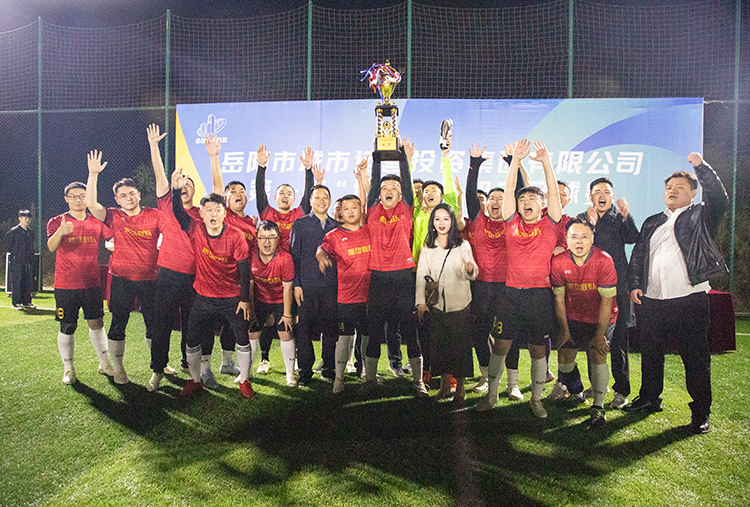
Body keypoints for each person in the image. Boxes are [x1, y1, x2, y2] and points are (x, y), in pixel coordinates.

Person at [625, 153, 727, 435]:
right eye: (669, 187)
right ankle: (649, 397)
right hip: (653, 299)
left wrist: (701, 167)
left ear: (694, 193)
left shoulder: (701, 216)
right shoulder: (652, 222)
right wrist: (635, 283)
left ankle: (701, 412)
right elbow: (638, 256)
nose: (672, 191)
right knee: (650, 353)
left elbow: (719, 198)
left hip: (689, 298)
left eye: (680, 187)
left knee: (695, 358)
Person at [478, 139, 561, 418]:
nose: (526, 203)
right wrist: (514, 160)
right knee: (500, 346)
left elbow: (552, 192)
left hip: (539, 296)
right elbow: (510, 189)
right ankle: (491, 395)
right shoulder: (511, 222)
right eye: (522, 200)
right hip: (510, 295)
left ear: (542, 205)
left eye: (532, 200)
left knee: (538, 350)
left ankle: (536, 400)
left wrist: (545, 161)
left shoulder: (551, 224)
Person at [146, 125, 226, 392]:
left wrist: (214, 156)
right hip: (168, 274)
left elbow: (218, 188)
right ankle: (158, 369)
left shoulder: (202, 214)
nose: (185, 186)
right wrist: (154, 146)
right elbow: (159, 174)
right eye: (181, 184)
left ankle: (189, 366)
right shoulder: (166, 204)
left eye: (189, 184)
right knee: (162, 323)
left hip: (196, 278)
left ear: (194, 192)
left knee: (194, 326)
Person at [170, 169, 255, 398]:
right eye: (208, 210)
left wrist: (244, 300)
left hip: (231, 298)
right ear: (202, 213)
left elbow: (244, 269)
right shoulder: (195, 228)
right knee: (192, 339)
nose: (213, 214)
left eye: (218, 210)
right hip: (203, 297)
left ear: (225, 213)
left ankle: (244, 381)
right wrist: (176, 190)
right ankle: (195, 380)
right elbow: (177, 212)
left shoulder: (236, 235)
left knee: (242, 339)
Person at [86, 150, 162, 384]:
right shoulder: (113, 215)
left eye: (131, 193)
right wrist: (93, 174)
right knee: (118, 323)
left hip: (150, 280)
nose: (128, 198)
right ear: (117, 200)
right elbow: (91, 204)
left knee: (154, 325)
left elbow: (169, 236)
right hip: (121, 279)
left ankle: (158, 366)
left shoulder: (155, 215)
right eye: (123, 195)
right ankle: (118, 369)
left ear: (139, 195)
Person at [364, 139, 428, 398]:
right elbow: (374, 180)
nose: (389, 190)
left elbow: (406, 181)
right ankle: (370, 379)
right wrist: (377, 154)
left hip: (403, 277)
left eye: (394, 188)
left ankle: (418, 382)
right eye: (385, 188)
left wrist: (403, 157)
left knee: (410, 331)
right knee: (375, 330)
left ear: (402, 195)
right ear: (379, 194)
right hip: (378, 278)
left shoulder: (407, 208)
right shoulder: (372, 209)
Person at [254, 144, 319, 374]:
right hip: (267, 278)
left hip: (292, 277)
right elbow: (259, 193)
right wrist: (261, 167)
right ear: (275, 197)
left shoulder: (299, 214)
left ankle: (298, 362)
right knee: (267, 322)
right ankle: (264, 359)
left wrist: (308, 171)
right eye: (281, 193)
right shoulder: (267, 213)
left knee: (293, 320)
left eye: (289, 193)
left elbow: (308, 195)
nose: (284, 196)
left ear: (294, 198)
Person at [549, 217, 617, 428]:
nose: (579, 241)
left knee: (597, 353)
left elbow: (607, 302)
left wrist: (599, 335)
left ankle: (598, 407)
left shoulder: (604, 260)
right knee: (564, 359)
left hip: (602, 317)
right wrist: (565, 330)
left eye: (584, 237)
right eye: (574, 237)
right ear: (566, 239)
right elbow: (559, 299)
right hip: (575, 316)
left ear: (592, 238)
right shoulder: (559, 262)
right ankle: (577, 392)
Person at [578, 177, 640, 409]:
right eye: (597, 192)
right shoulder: (584, 218)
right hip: (590, 289)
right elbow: (580, 246)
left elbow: (633, 238)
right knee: (592, 339)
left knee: (618, 342)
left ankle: (621, 390)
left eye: (606, 191)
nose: (602, 195)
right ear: (591, 197)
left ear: (612, 196)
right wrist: (590, 225)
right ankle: (596, 385)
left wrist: (627, 216)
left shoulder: (620, 217)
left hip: (617, 288)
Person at [47, 182, 114, 384]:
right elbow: (51, 247)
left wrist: (116, 245)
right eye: (73, 196)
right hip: (65, 285)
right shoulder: (57, 221)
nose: (78, 200)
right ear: (66, 199)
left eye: (82, 196)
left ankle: (104, 364)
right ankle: (68, 369)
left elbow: (111, 239)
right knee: (67, 325)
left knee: (97, 323)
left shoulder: (96, 221)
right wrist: (60, 232)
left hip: (92, 283)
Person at [416, 203, 478, 403]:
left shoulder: (462, 245)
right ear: (432, 222)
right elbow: (422, 274)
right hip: (436, 306)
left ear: (452, 222)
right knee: (439, 347)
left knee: (460, 348)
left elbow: (471, 271)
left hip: (460, 304)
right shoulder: (428, 246)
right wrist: (421, 303)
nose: (441, 223)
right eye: (437, 219)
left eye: (446, 219)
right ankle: (444, 386)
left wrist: (469, 269)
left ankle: (460, 388)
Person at [317, 191, 371, 394]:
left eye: (354, 207)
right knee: (345, 337)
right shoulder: (334, 235)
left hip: (370, 298)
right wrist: (321, 256)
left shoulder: (370, 231)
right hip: (346, 298)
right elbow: (322, 249)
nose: (350, 211)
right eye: (345, 208)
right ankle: (339, 378)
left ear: (361, 210)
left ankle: (367, 372)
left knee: (367, 336)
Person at [290, 179, 340, 385]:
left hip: (330, 288)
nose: (321, 200)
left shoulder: (337, 226)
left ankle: (329, 368)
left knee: (330, 329)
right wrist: (296, 283)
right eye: (317, 197)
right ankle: (305, 371)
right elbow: (294, 257)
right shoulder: (300, 224)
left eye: (325, 197)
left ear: (330, 201)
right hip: (306, 287)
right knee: (303, 330)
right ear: (310, 201)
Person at [247, 221, 297, 387]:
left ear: (278, 239)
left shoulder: (285, 258)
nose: (266, 242)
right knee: (252, 333)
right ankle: (246, 372)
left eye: (271, 238)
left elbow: (287, 288)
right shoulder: (251, 256)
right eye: (262, 237)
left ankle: (290, 373)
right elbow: (250, 286)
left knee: (285, 332)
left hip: (280, 300)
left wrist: (287, 314)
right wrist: (252, 312)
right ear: (257, 239)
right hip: (260, 299)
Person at [5, 210, 36, 309]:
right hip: (17, 260)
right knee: (17, 281)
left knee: (27, 281)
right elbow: (8, 244)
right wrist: (15, 254)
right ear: (20, 219)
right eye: (25, 218)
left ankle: (27, 301)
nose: (27, 220)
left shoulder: (31, 232)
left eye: (29, 218)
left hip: (28, 260)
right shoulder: (14, 231)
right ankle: (16, 302)